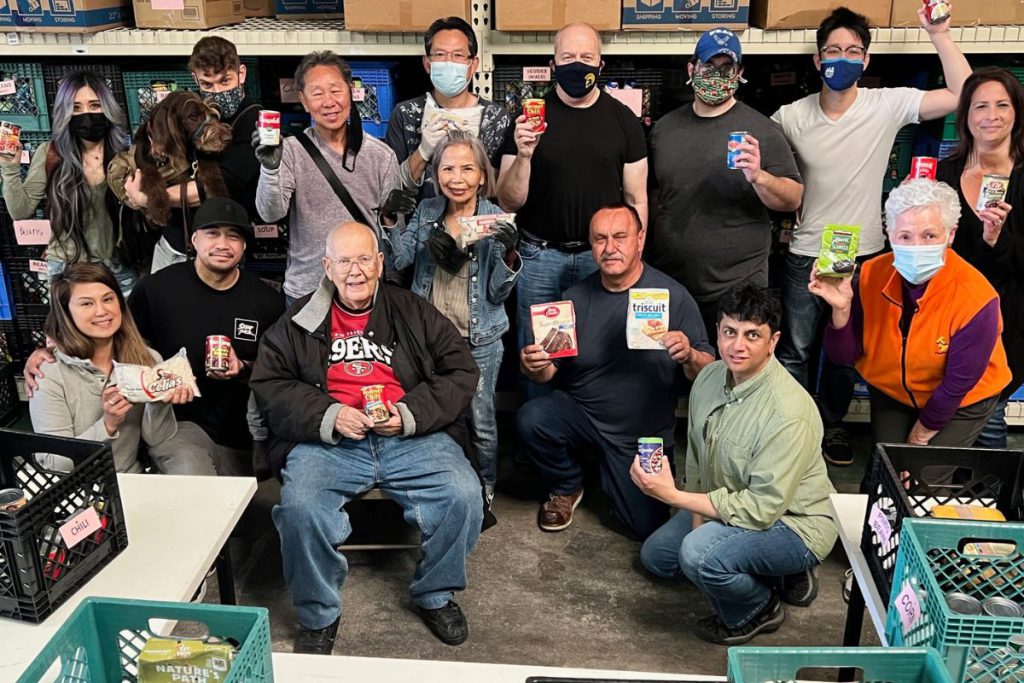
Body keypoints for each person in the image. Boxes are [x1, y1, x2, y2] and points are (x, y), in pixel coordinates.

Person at [251, 222, 483, 654]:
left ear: (379, 262)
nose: (354, 271)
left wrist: (410, 414)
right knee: (301, 507)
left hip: (410, 435)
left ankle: (436, 594)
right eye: (343, 261)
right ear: (326, 266)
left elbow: (462, 370)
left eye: (363, 259)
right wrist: (330, 414)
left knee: (464, 493)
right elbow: (269, 384)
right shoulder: (298, 319)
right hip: (330, 443)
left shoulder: (412, 310)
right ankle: (319, 614)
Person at [771, 6, 972, 466]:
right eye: (833, 50)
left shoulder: (886, 105)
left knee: (846, 354)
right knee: (797, 350)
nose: (842, 58)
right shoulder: (790, 116)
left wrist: (939, 34)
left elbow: (963, 94)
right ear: (817, 61)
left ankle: (832, 427)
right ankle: (791, 429)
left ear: (866, 61)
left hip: (863, 256)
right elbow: (768, 169)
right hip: (805, 252)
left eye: (852, 51)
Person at [634, 284, 838, 646]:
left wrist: (672, 497)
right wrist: (695, 520)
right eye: (729, 332)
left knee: (698, 556)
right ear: (718, 332)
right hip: (730, 503)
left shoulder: (789, 413)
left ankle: (759, 607)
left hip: (792, 522)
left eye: (752, 335)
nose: (737, 346)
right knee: (660, 559)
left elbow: (761, 510)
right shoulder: (710, 377)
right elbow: (697, 462)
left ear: (773, 341)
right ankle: (774, 573)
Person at [23, 197, 285, 476]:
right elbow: (107, 330)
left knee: (234, 504)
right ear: (194, 239)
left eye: (234, 236)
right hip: (184, 426)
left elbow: (281, 369)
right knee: (196, 486)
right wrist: (48, 350)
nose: (222, 244)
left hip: (238, 427)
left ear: (244, 246)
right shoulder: (156, 290)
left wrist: (243, 367)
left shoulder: (266, 300)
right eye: (212, 234)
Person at [517, 204, 714, 540]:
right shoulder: (575, 297)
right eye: (600, 239)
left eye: (620, 237)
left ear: (640, 239)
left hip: (641, 433)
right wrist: (532, 365)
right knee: (533, 416)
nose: (609, 248)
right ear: (591, 246)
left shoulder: (673, 296)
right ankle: (567, 484)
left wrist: (689, 355)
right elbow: (548, 373)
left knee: (645, 527)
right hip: (584, 416)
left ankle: (613, 471)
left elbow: (709, 373)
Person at [496, 23, 648, 397]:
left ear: (601, 64)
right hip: (540, 258)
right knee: (540, 360)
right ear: (552, 64)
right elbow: (508, 201)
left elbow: (637, 198)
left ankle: (592, 439)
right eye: (567, 58)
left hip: (603, 260)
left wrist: (636, 255)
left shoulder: (623, 121)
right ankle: (540, 442)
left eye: (586, 58)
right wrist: (525, 155)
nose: (577, 66)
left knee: (601, 355)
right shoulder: (526, 123)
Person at [811, 179, 1012, 447]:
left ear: (950, 235)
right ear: (889, 234)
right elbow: (843, 356)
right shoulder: (870, 275)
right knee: (883, 470)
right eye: (905, 236)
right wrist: (841, 309)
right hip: (894, 390)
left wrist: (919, 439)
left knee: (922, 477)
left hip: (962, 400)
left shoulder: (976, 297)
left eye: (930, 235)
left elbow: (956, 385)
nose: (916, 246)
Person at [384, 132, 520, 501]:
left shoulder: (494, 218)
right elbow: (398, 262)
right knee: (428, 410)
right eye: (447, 168)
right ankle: (435, 482)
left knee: (481, 418)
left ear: (481, 176)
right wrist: (392, 220)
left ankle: (484, 485)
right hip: (426, 339)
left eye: (467, 168)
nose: (456, 178)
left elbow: (495, 294)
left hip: (479, 339)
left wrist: (508, 255)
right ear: (435, 174)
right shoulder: (428, 211)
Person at [649, 27, 803, 343]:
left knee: (734, 375)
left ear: (739, 73)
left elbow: (792, 198)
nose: (717, 75)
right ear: (691, 69)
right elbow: (654, 195)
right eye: (709, 66)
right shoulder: (664, 130)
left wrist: (759, 176)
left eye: (726, 68)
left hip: (739, 284)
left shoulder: (763, 131)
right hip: (674, 280)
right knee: (672, 366)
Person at [255, 51, 411, 303]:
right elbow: (270, 214)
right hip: (307, 289)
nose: (328, 102)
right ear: (304, 101)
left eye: (335, 90)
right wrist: (270, 168)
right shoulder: (290, 151)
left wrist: (390, 218)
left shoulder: (381, 156)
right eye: (317, 93)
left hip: (363, 290)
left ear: (350, 92)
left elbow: (395, 242)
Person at [29, 263, 197, 473]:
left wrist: (159, 402)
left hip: (131, 482)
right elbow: (55, 462)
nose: (102, 311)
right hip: (78, 493)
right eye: (87, 304)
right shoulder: (48, 373)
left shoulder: (147, 359)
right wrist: (107, 425)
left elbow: (158, 440)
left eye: (108, 299)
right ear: (66, 313)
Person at [937, 67, 1024, 448]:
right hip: (949, 322)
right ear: (966, 116)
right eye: (981, 106)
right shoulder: (943, 175)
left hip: (1010, 325)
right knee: (944, 419)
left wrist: (998, 239)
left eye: (1003, 105)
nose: (992, 115)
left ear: (1017, 113)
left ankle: (989, 502)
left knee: (988, 420)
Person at [126, 36, 264, 272]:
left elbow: (220, 186)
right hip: (174, 243)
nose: (218, 91)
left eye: (225, 81)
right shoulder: (187, 111)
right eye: (207, 84)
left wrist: (148, 199)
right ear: (195, 80)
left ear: (242, 73)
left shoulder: (254, 120)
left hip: (220, 249)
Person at [0, 71, 138, 293]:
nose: (87, 115)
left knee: (129, 325)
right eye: (76, 108)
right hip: (67, 268)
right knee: (75, 327)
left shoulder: (126, 156)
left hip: (117, 266)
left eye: (95, 105)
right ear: (64, 113)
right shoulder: (51, 154)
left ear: (108, 108)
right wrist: (10, 168)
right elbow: (20, 210)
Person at [385, 16, 512, 201]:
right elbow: (391, 190)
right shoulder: (406, 115)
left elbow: (502, 194)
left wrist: (473, 158)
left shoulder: (496, 118)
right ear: (427, 64)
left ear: (473, 65)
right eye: (440, 55)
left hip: (477, 227)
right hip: (420, 226)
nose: (448, 62)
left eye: (458, 55)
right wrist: (422, 152)